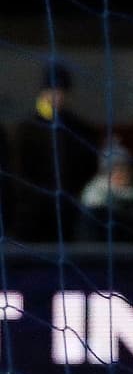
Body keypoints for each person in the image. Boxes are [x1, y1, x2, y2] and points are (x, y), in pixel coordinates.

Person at [11, 61, 100, 242]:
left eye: (61, 91)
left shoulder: (80, 130)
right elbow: (19, 173)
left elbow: (89, 167)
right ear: (42, 92)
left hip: (70, 211)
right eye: (51, 90)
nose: (56, 96)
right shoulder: (26, 129)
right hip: (34, 215)